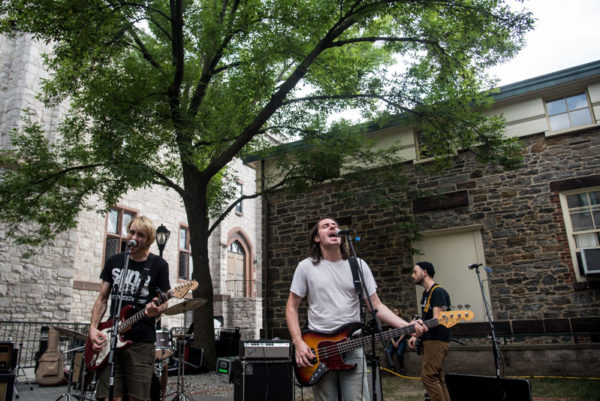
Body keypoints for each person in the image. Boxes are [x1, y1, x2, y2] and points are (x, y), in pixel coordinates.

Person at [286, 217, 427, 401]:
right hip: (318, 348)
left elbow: (377, 306)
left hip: (351, 345)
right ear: (317, 238)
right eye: (325, 226)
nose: (333, 227)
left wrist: (407, 325)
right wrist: (298, 343)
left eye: (335, 225)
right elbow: (291, 307)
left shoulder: (358, 266)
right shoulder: (306, 267)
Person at [88, 216, 170, 401]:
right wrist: (93, 328)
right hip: (111, 340)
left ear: (148, 240)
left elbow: (165, 300)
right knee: (109, 396)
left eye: (140, 235)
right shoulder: (114, 261)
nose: (134, 237)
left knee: (137, 397)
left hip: (141, 342)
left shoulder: (158, 265)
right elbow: (102, 298)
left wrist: (157, 309)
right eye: (132, 232)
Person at [408, 261, 452, 401]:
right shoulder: (426, 294)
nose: (412, 275)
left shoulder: (438, 292)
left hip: (437, 340)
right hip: (429, 339)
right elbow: (426, 319)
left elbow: (437, 319)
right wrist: (416, 335)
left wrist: (418, 326)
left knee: (428, 376)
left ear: (424, 272)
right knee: (437, 376)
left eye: (415, 272)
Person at [385, 308, 407, 374]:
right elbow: (390, 332)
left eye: (396, 312)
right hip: (393, 340)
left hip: (401, 340)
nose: (395, 313)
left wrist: (398, 342)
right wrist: (393, 341)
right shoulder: (391, 321)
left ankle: (402, 369)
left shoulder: (402, 320)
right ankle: (392, 368)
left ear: (399, 312)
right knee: (388, 352)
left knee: (399, 353)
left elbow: (404, 333)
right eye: (394, 312)